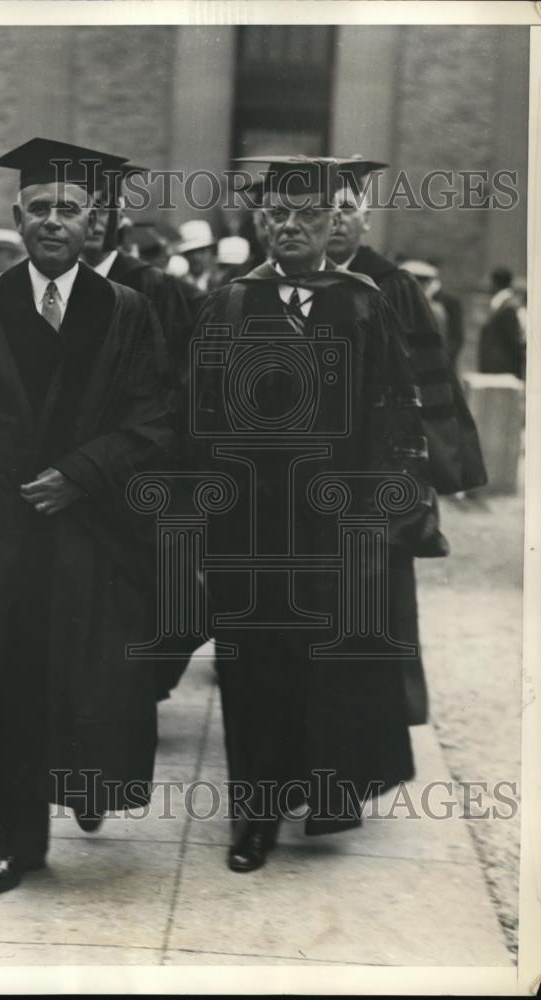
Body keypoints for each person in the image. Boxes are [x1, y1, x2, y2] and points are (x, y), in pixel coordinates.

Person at [0, 137, 175, 896]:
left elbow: (154, 420)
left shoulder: (127, 312)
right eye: (40, 207)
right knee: (10, 689)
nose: (54, 220)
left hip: (94, 535)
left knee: (92, 679)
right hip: (1, 537)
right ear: (17, 216)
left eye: (69, 209)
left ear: (96, 223)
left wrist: (81, 474)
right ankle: (18, 844)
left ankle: (85, 786)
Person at [187, 156, 436, 873]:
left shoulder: (363, 304)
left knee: (323, 664)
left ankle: (326, 789)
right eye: (277, 216)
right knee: (251, 666)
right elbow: (195, 417)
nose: (290, 227)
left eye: (306, 216)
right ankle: (255, 816)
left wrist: (379, 516)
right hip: (248, 526)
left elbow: (395, 419)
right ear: (261, 223)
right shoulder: (228, 303)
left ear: (333, 223)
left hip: (334, 525)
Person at [328, 164, 487, 499]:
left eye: (346, 208)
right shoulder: (295, 281)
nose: (335, 219)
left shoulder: (393, 285)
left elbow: (426, 377)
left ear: (367, 219)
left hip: (380, 463)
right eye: (323, 209)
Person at [82, 164, 194, 380]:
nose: (94, 222)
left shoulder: (152, 283)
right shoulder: (61, 281)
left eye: (103, 210)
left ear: (121, 215)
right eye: (82, 210)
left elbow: (175, 366)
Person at [478, 266, 525, 379]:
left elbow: (513, 341)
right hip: (498, 368)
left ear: (496, 283)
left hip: (503, 369)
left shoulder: (508, 307)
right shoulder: (502, 304)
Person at [176, 219, 219, 294]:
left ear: (210, 252)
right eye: (190, 252)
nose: (195, 257)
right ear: (184, 255)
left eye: (201, 251)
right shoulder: (177, 285)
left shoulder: (220, 281)